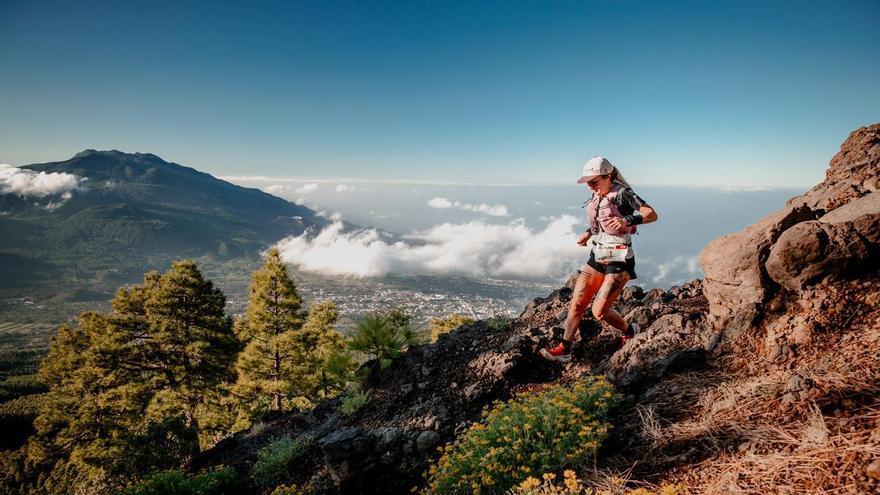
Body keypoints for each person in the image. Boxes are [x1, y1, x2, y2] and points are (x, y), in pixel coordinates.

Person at [540, 156, 657, 363]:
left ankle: (630, 330)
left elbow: (651, 214)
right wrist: (588, 233)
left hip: (619, 259)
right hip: (598, 254)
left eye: (594, 181)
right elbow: (603, 220)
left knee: (599, 312)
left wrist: (628, 219)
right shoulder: (598, 195)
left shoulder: (623, 193)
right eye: (588, 182)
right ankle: (565, 349)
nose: (590, 186)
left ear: (607, 176)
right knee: (577, 304)